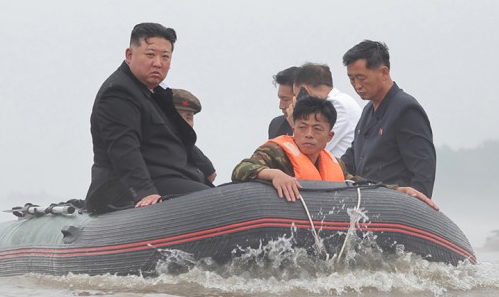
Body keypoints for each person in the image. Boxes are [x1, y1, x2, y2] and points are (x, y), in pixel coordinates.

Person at [85, 23, 212, 214]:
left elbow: (175, 137)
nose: (158, 63)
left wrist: (204, 167)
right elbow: (123, 148)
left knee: (224, 197)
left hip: (169, 176)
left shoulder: (154, 94)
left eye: (165, 57)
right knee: (209, 201)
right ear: (129, 55)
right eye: (150, 55)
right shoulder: (118, 92)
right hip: (124, 188)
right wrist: (144, 192)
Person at [232, 96, 435, 207]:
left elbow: (360, 184)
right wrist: (274, 174)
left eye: (317, 129)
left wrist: (399, 190)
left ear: (329, 137)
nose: (308, 134)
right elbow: (241, 169)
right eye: (302, 127)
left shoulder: (334, 164)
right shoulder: (276, 151)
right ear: (294, 129)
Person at [339, 40, 437, 198]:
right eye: (351, 79)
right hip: (365, 207)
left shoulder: (406, 109)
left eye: (361, 78)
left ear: (384, 73)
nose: (357, 85)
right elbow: (350, 160)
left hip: (395, 208)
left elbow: (423, 173)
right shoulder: (367, 111)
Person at [291, 63, 362, 157]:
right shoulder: (343, 100)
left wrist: (294, 121)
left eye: (296, 96)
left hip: (339, 168)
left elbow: (307, 150)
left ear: (304, 90)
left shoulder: (337, 104)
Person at [171, 88, 217, 183]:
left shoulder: (190, 148)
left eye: (188, 117)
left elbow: (211, 175)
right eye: (177, 115)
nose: (184, 122)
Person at [268, 66, 298, 138]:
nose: (281, 106)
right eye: (280, 99)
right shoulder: (276, 125)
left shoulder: (322, 127)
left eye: (285, 99)